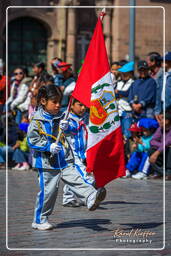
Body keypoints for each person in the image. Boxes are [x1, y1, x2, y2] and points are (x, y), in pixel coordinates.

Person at [27, 84, 106, 230]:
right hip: (47, 163)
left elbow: (71, 131)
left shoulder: (62, 116)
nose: (58, 105)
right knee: (49, 192)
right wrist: (48, 146)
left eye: (59, 102)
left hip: (64, 158)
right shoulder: (36, 121)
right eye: (54, 102)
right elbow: (32, 140)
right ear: (43, 101)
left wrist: (67, 127)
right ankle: (40, 219)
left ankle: (90, 197)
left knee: (76, 179)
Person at [62, 98, 94, 207]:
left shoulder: (83, 118)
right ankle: (91, 197)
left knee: (73, 176)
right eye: (80, 105)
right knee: (86, 176)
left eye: (84, 105)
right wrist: (65, 126)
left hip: (82, 153)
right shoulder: (67, 118)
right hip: (72, 154)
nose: (83, 108)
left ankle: (68, 198)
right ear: (71, 105)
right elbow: (69, 129)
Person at [114, 61, 135, 139]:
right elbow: (114, 93)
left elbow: (128, 93)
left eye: (126, 73)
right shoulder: (119, 82)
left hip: (127, 111)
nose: (124, 75)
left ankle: (128, 150)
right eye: (122, 73)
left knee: (127, 132)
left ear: (130, 74)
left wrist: (119, 92)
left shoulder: (133, 83)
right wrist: (119, 93)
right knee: (119, 132)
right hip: (118, 111)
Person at [149, 108, 171, 180]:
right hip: (164, 149)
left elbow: (168, 142)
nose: (160, 121)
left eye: (162, 119)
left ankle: (169, 172)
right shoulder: (160, 128)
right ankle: (160, 173)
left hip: (168, 151)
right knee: (151, 150)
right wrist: (162, 146)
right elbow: (152, 141)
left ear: (168, 121)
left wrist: (157, 152)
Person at [154, 52, 171, 123]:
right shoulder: (162, 76)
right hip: (162, 106)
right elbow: (158, 93)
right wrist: (157, 111)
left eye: (164, 60)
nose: (162, 63)